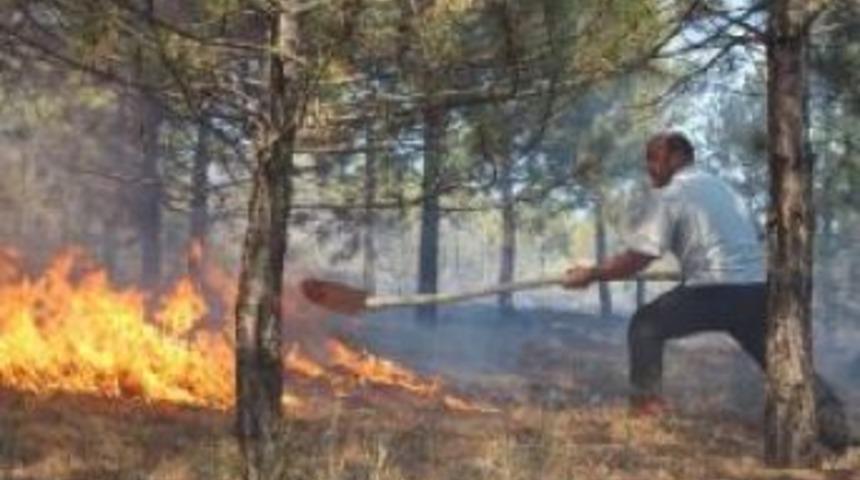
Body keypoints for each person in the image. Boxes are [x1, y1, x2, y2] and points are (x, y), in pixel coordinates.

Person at [563, 131, 851, 453]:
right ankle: (836, 429)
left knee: (645, 326)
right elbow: (747, 237)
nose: (649, 168)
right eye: (647, 160)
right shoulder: (726, 189)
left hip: (713, 292)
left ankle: (646, 415)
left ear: (677, 158)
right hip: (755, 292)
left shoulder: (672, 194)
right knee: (779, 361)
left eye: (654, 159)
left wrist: (592, 274)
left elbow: (637, 259)